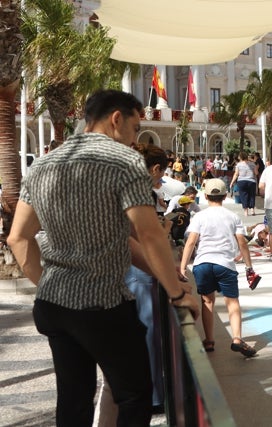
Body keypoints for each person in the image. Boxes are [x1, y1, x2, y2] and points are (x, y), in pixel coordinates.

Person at [8, 89, 200, 426]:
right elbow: (150, 234)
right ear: (116, 119)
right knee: (134, 395)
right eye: (136, 127)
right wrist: (176, 291)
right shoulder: (123, 161)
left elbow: (18, 237)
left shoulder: (44, 163)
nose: (135, 136)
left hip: (54, 304)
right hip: (103, 304)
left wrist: (51, 284)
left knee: (73, 399)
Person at [180, 179, 260, 358]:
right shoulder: (233, 217)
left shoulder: (199, 217)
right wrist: (249, 267)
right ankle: (237, 339)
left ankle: (209, 341)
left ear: (206, 196)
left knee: (207, 302)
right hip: (225, 264)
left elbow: (191, 241)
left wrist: (183, 266)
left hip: (202, 264)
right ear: (225, 196)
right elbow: (242, 243)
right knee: (232, 302)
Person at [229, 151, 258, 216]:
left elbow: (236, 174)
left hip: (241, 181)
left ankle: (245, 211)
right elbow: (256, 173)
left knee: (243, 195)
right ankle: (252, 210)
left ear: (240, 157)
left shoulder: (238, 165)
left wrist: (232, 182)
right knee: (252, 195)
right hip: (251, 181)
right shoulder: (252, 164)